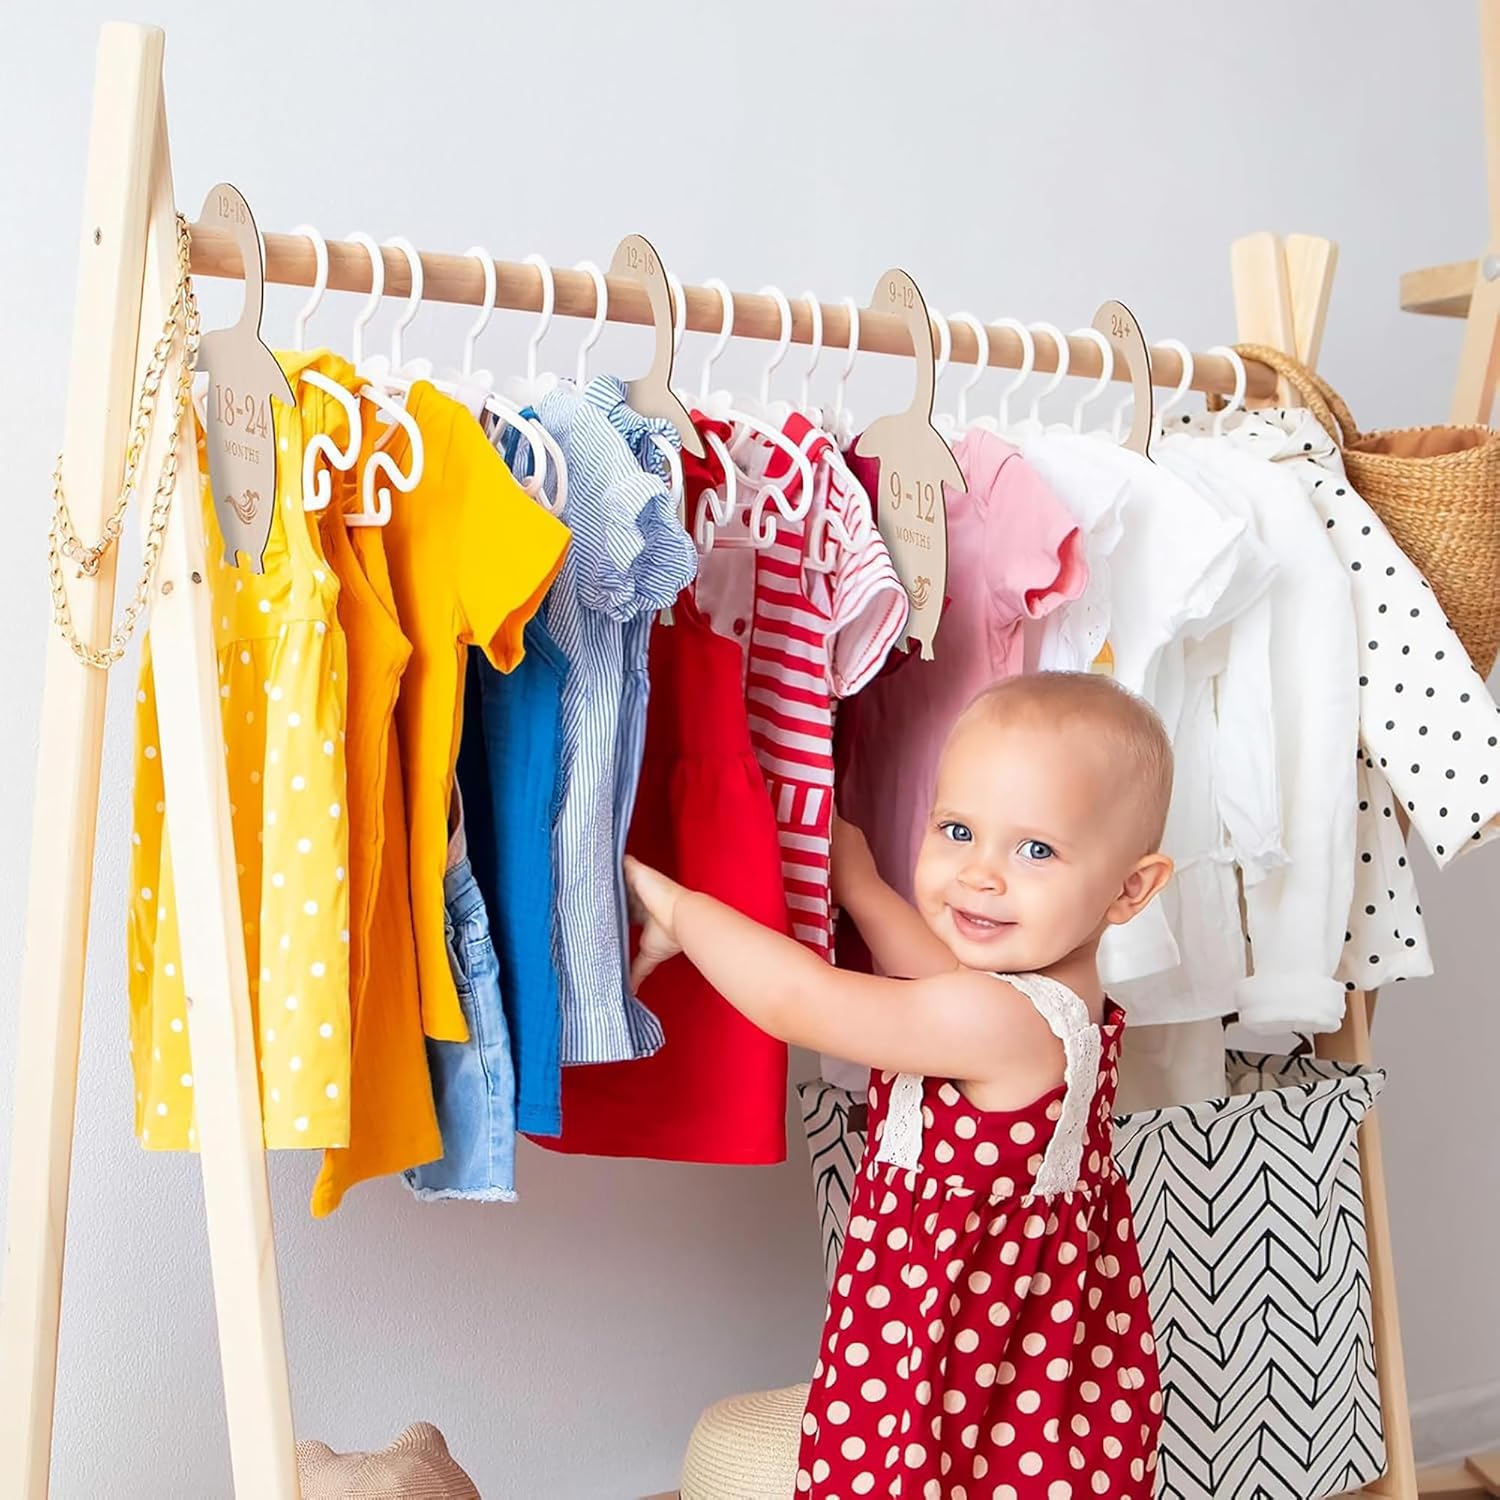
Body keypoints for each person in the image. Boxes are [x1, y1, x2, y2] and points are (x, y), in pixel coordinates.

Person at [626, 670, 1175, 1496]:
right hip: (987, 1356)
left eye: (1035, 850)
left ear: (1131, 887)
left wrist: (682, 911)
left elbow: (799, 1002)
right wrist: (865, 891)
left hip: (960, 1367)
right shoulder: (1038, 998)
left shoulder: (1005, 1026)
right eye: (957, 829)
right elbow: (940, 978)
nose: (980, 875)